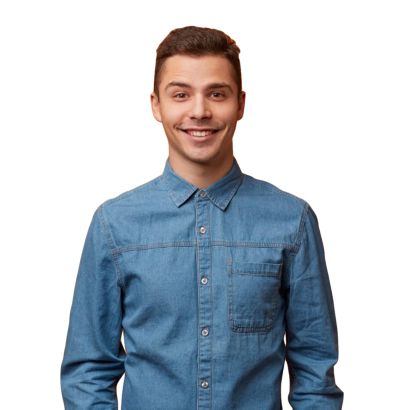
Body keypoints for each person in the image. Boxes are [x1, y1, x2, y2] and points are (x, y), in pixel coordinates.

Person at [60, 25, 344, 409]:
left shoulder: (293, 219)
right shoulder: (113, 222)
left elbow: (315, 371)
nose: (199, 111)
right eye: (181, 94)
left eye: (217, 94)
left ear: (241, 104)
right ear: (156, 106)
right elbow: (88, 372)